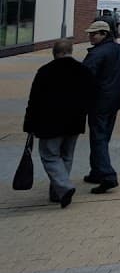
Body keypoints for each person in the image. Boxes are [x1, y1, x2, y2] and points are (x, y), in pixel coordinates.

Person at [22, 39, 96, 208]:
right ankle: (58, 192)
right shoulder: (83, 71)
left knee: (49, 155)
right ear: (70, 51)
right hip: (74, 121)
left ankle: (64, 187)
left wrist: (29, 124)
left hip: (50, 122)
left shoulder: (45, 72)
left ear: (55, 53)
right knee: (66, 156)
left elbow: (34, 100)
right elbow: (91, 96)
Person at [81, 19, 120, 194]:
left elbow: (85, 77)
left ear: (104, 34)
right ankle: (97, 170)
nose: (90, 36)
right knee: (103, 136)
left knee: (98, 137)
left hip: (99, 101)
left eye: (94, 34)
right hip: (114, 100)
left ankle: (106, 174)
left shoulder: (97, 54)